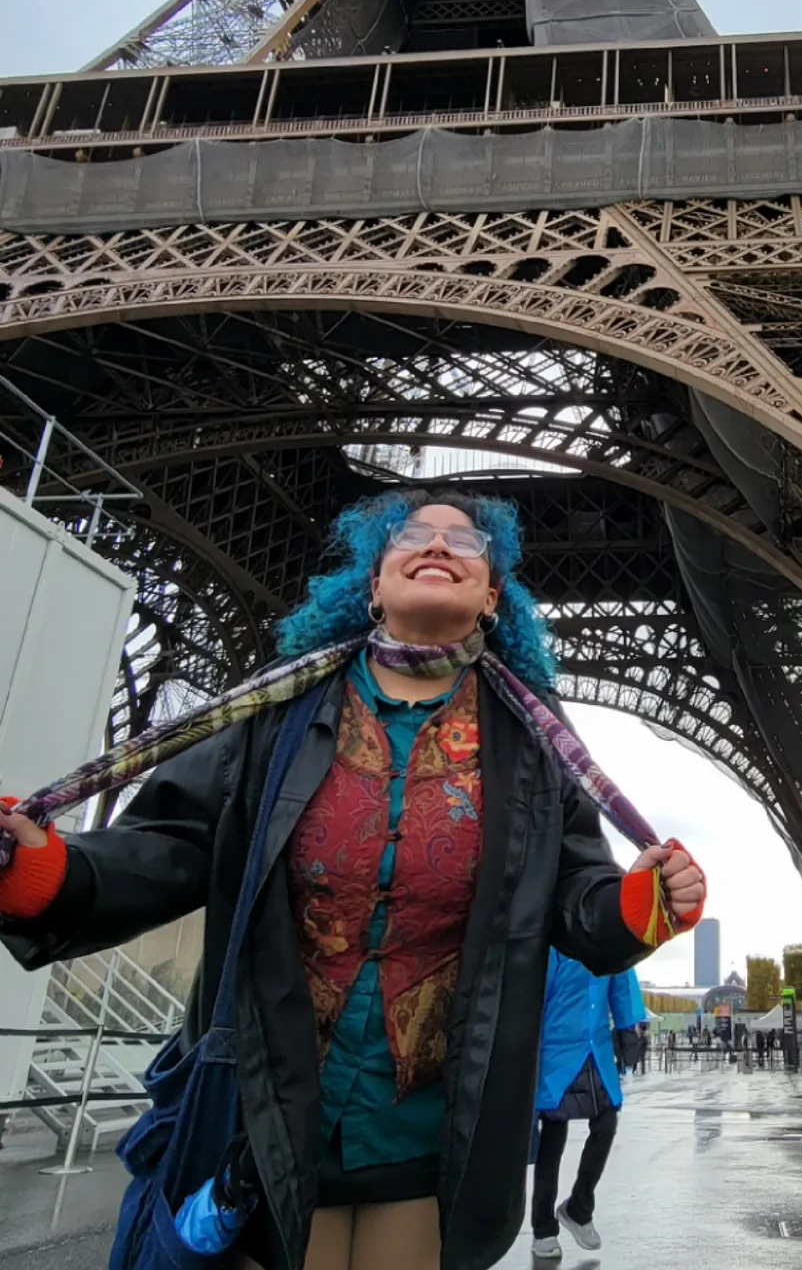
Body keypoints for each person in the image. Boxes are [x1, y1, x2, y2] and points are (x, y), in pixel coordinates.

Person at [0, 491, 705, 1270]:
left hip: (433, 1120)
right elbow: (170, 844)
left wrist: (642, 905)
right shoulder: (276, 716)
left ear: (492, 596)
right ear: (373, 583)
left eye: (465, 543)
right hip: (268, 1105)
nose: (438, 545)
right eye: (412, 535)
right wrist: (45, 873)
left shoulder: (534, 745)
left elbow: (579, 899)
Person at [530, 951, 643, 1258]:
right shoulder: (553, 942)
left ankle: (579, 1209)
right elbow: (533, 994)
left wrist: (627, 1029)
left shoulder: (607, 937)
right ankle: (542, 1229)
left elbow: (622, 979)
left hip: (596, 1046)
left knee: (607, 1121)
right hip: (555, 1049)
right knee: (553, 1136)